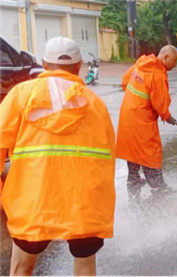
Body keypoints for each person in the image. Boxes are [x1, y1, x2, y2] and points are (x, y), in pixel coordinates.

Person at [0, 37, 116, 276]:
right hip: (83, 205)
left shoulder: (21, 95)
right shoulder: (95, 104)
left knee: (22, 268)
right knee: (85, 267)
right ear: (79, 66)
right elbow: (107, 159)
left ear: (44, 63)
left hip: (34, 202)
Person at [116, 45, 177, 201]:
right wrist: (168, 117)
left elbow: (125, 81)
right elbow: (160, 104)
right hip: (142, 119)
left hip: (127, 114)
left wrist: (136, 100)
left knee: (132, 148)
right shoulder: (157, 75)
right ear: (165, 57)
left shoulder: (142, 62)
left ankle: (133, 179)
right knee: (150, 149)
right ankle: (158, 186)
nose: (175, 65)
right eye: (174, 61)